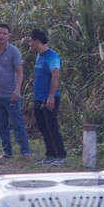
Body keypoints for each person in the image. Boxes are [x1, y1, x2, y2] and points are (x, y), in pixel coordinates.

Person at [0, 23, 30, 159]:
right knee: (1, 124)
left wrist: (17, 90)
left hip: (12, 95)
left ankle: (25, 151)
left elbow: (20, 72)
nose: (1, 36)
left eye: (4, 33)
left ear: (9, 36)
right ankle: (7, 152)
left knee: (17, 123)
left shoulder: (13, 51)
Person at [29, 28, 66, 165]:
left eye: (31, 41)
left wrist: (51, 96)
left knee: (52, 127)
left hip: (49, 98)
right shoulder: (39, 56)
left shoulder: (52, 56)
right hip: (38, 99)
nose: (29, 44)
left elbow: (55, 76)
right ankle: (50, 154)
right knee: (43, 127)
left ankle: (61, 155)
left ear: (37, 41)